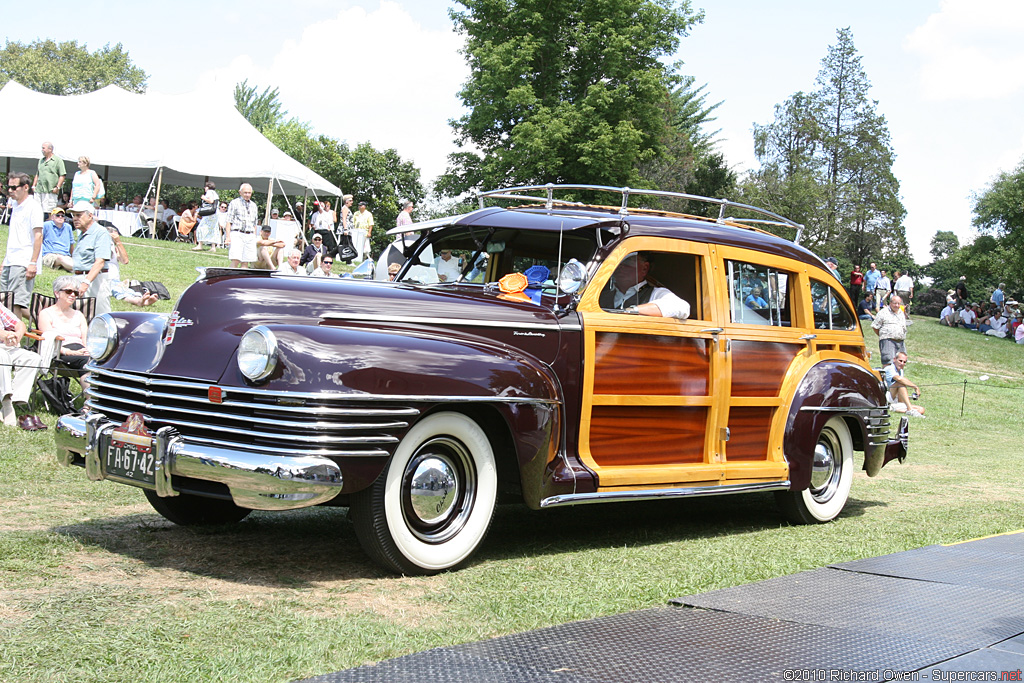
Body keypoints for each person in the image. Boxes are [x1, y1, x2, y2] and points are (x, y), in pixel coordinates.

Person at [1, 173, 44, 320]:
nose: (10, 190)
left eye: (14, 187)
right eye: (9, 187)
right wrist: (5, 261)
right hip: (10, 261)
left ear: (26, 187)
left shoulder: (34, 207)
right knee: (4, 301)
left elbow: (38, 236)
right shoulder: (15, 205)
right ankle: (44, 320)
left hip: (23, 261)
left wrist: (32, 263)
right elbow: (14, 237)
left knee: (15, 303)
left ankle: (13, 339)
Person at [598, 252, 690, 319]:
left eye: (627, 262)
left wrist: (631, 311)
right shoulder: (599, 297)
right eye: (617, 263)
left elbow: (682, 307)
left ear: (644, 268)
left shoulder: (656, 294)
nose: (620, 267)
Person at [0, 301, 44, 430]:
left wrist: (17, 336)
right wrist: (6, 335)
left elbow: (19, 323)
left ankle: (15, 400)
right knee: (2, 356)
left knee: (32, 358)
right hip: (2, 348)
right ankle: (7, 404)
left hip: (7, 345)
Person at [37, 275, 90, 373]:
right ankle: (88, 388)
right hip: (59, 353)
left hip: (81, 351)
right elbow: (49, 340)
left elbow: (85, 339)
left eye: (76, 292)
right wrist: (70, 352)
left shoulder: (79, 315)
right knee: (87, 364)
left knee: (98, 362)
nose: (73, 295)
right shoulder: (46, 314)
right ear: (57, 293)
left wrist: (87, 351)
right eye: (68, 291)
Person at [70, 201, 113, 317]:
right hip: (80, 278)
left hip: (95, 280)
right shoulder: (83, 234)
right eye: (73, 215)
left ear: (90, 216)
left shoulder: (100, 233)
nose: (75, 218)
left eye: (78, 215)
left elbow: (100, 262)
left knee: (101, 317)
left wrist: (86, 282)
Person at [103, 226, 158, 307]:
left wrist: (118, 243)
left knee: (125, 290)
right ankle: (138, 301)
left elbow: (125, 261)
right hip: (104, 280)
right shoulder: (100, 247)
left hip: (115, 281)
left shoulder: (115, 248)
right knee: (117, 290)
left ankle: (141, 298)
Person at [226, 183, 260, 267]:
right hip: (237, 233)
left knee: (246, 262)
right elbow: (228, 221)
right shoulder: (234, 203)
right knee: (236, 260)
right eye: (245, 192)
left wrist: (254, 236)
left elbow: (254, 224)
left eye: (249, 193)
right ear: (240, 192)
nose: (247, 195)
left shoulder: (254, 205)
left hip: (250, 235)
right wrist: (227, 237)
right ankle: (230, 278)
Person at [883, 351, 925, 417]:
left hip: (896, 399)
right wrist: (915, 387)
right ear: (894, 359)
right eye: (900, 361)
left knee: (921, 410)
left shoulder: (901, 371)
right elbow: (899, 379)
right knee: (900, 383)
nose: (902, 363)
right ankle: (910, 410)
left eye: (904, 362)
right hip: (887, 396)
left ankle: (893, 408)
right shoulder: (889, 368)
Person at [871, 294, 908, 365]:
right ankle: (888, 376)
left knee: (901, 363)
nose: (897, 305)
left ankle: (899, 376)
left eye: (898, 303)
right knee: (888, 362)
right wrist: (884, 335)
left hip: (900, 341)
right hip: (888, 340)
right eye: (895, 303)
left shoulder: (901, 313)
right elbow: (875, 327)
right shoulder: (883, 312)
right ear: (890, 303)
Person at [32, 141, 66, 215]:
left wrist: (58, 187)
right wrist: (33, 186)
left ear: (50, 149)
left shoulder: (58, 160)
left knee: (49, 211)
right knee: (36, 210)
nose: (42, 150)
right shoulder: (41, 160)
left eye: (43, 148)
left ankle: (48, 226)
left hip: (50, 190)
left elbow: (62, 175)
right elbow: (37, 174)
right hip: (39, 190)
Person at [41, 207, 74, 272]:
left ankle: (78, 270)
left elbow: (71, 245)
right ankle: (78, 270)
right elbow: (39, 240)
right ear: (52, 217)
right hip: (49, 254)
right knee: (60, 259)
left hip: (65, 255)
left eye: (62, 216)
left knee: (67, 260)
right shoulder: (46, 225)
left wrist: (73, 256)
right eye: (58, 215)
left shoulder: (68, 227)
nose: (60, 217)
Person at [193, 181, 219, 252]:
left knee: (201, 227)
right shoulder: (215, 193)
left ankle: (200, 244)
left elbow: (211, 201)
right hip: (214, 214)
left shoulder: (209, 192)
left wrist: (204, 198)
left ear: (208, 187)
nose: (204, 188)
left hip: (209, 214)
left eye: (205, 187)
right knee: (213, 229)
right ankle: (213, 247)